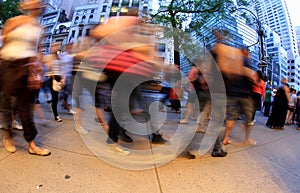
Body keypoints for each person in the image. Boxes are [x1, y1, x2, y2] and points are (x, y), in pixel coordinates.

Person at [0, 0, 50, 156]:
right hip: (8, 63)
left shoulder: (40, 29)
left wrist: (37, 69)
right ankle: (8, 136)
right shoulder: (14, 21)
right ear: (26, 5)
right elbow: (4, 43)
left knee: (26, 106)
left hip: (26, 66)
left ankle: (32, 144)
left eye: (40, 3)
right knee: (6, 101)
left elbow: (38, 51)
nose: (37, 5)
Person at [44, 42, 64, 122]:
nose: (56, 47)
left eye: (57, 46)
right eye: (54, 46)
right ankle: (56, 115)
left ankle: (51, 102)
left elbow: (61, 69)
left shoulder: (59, 57)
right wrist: (49, 63)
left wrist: (63, 78)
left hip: (58, 77)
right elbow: (47, 66)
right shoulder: (49, 57)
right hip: (52, 78)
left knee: (57, 96)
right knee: (55, 97)